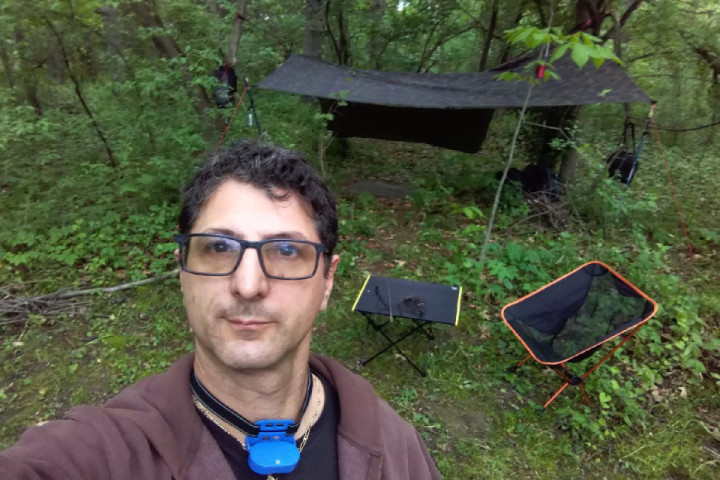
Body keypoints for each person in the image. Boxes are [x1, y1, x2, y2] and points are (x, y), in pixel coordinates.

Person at [0, 139, 441, 480]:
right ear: (183, 272)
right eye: (217, 247)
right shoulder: (102, 452)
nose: (248, 285)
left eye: (286, 250)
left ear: (327, 280)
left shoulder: (396, 444)